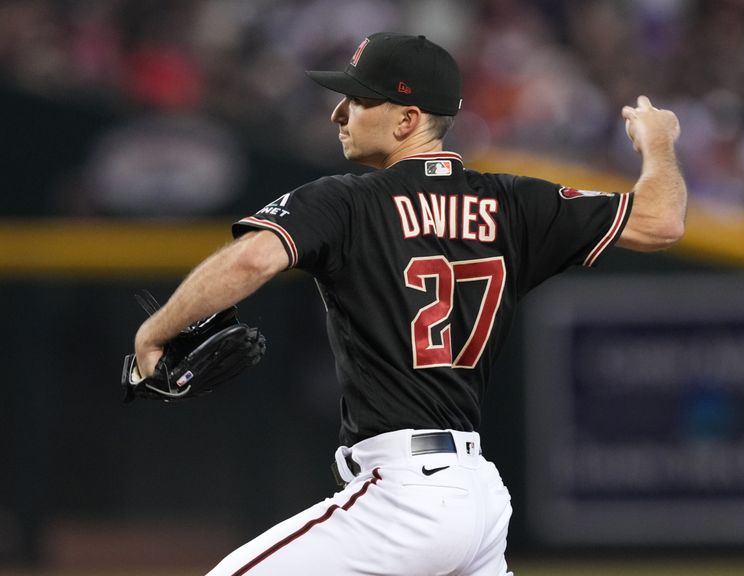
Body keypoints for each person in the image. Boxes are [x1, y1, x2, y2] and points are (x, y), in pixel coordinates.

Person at [133, 32, 686, 576]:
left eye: (357, 99)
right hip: (479, 500)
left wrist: (153, 333)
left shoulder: (345, 201)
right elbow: (661, 220)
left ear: (406, 120)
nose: (338, 114)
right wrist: (657, 144)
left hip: (402, 496)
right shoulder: (515, 203)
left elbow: (253, 260)